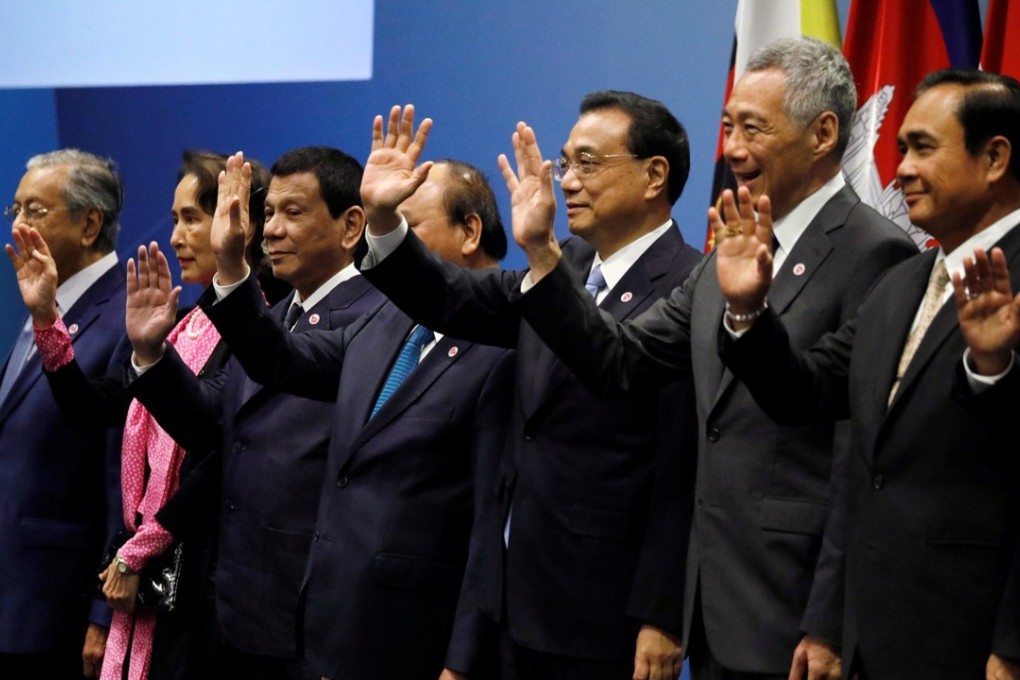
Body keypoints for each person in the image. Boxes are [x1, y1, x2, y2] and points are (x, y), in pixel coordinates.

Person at [499, 38, 919, 680]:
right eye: (727, 126)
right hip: (716, 611)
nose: (733, 149)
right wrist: (544, 257)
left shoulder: (875, 253)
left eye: (753, 128)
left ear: (823, 133)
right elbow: (621, 358)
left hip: (795, 610)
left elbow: (854, 459)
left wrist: (831, 619)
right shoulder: (730, 247)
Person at [127, 151, 514, 680]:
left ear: (469, 231)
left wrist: (464, 659)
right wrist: (223, 280)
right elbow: (258, 380)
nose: (272, 231)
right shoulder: (376, 325)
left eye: (406, 229)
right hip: (285, 610)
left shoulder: (502, 347)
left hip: (402, 629)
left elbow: (489, 522)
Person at [359, 97, 702, 680]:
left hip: (607, 612)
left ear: (654, 175)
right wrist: (386, 224)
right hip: (514, 601)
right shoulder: (563, 263)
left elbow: (683, 466)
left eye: (587, 163)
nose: (566, 182)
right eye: (564, 164)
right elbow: (452, 296)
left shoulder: (693, 284)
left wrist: (663, 613)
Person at [711, 69, 1020, 679]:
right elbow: (806, 392)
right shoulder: (901, 281)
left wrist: (1013, 646)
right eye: (900, 147)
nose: (899, 168)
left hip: (978, 641)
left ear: (995, 157)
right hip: (874, 640)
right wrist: (748, 310)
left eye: (923, 147)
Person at [125, 146, 385, 679]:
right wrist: (152, 353)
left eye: (293, 213)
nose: (272, 231)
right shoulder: (270, 315)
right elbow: (208, 425)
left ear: (351, 225)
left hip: (310, 611)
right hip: (232, 602)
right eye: (269, 214)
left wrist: (229, 274)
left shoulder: (375, 318)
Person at [9, 150, 270, 680]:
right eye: (174, 219)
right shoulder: (188, 322)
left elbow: (218, 448)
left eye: (193, 218)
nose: (175, 236)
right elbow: (96, 408)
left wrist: (140, 547)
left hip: (203, 580)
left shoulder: (262, 326)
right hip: (154, 581)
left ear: (241, 223)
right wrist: (47, 322)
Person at [0, 149, 126, 680]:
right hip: (15, 600)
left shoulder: (128, 316)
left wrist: (105, 613)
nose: (20, 225)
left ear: (89, 222)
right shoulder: (42, 299)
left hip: (62, 607)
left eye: (36, 210)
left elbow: (126, 478)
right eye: (16, 210)